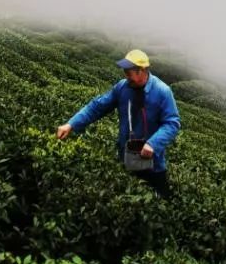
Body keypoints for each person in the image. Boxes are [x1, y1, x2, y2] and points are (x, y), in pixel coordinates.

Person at [56, 48, 180, 197]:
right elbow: (97, 107)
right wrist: (71, 124)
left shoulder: (162, 91)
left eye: (128, 72)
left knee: (162, 200)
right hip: (126, 156)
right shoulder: (122, 87)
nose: (125, 75)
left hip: (152, 162)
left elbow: (172, 123)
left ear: (141, 70)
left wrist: (153, 143)